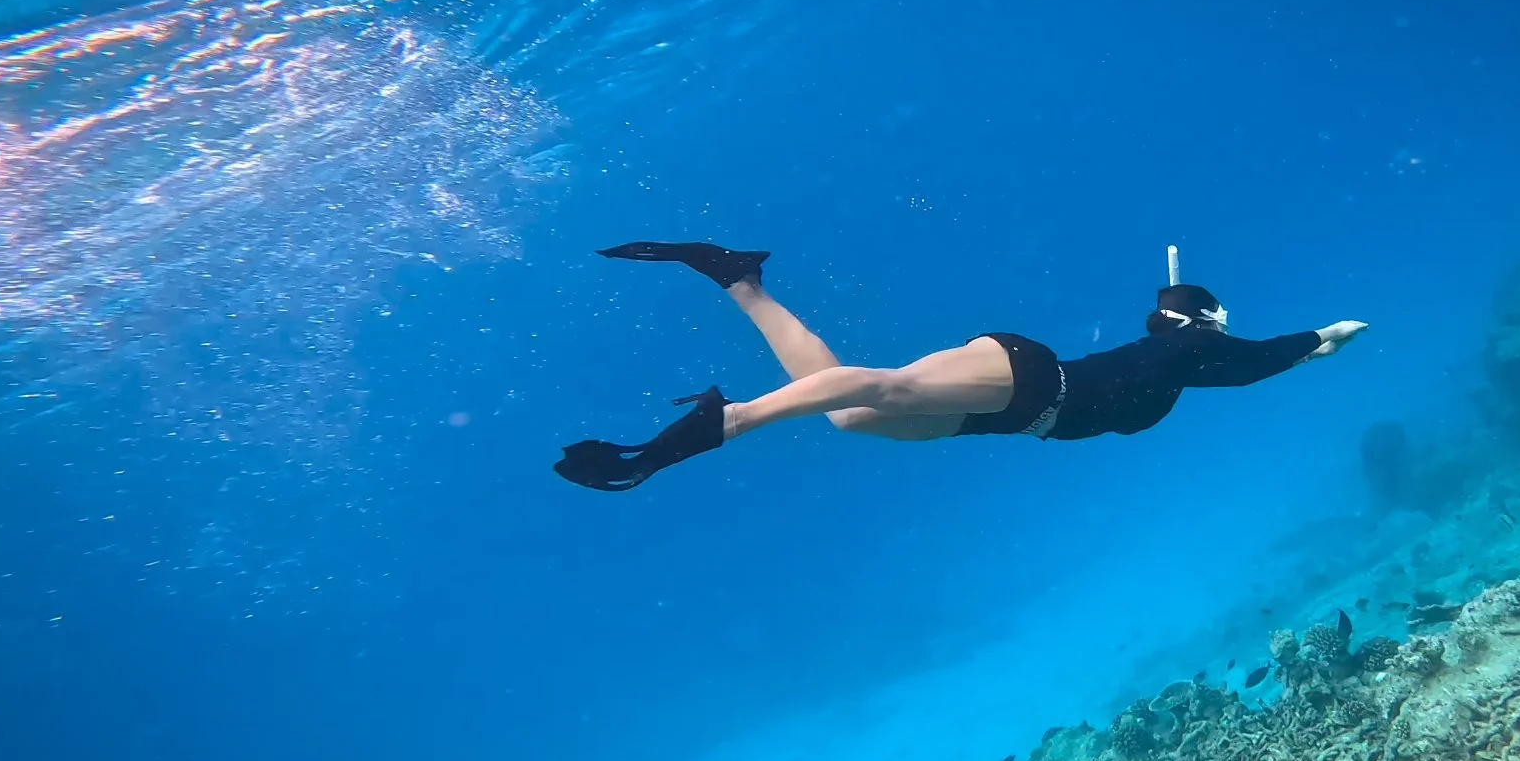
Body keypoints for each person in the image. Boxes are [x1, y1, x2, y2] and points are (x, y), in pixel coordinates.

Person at [552, 241, 1367, 492]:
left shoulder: (1179, 344)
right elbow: (1248, 361)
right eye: (1213, 320)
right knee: (886, 386)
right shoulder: (1192, 344)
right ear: (1206, 319)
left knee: (849, 410)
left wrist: (1302, 346)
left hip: (1009, 412)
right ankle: (723, 422)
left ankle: (739, 278)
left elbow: (1216, 350)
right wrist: (1319, 339)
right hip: (1030, 378)